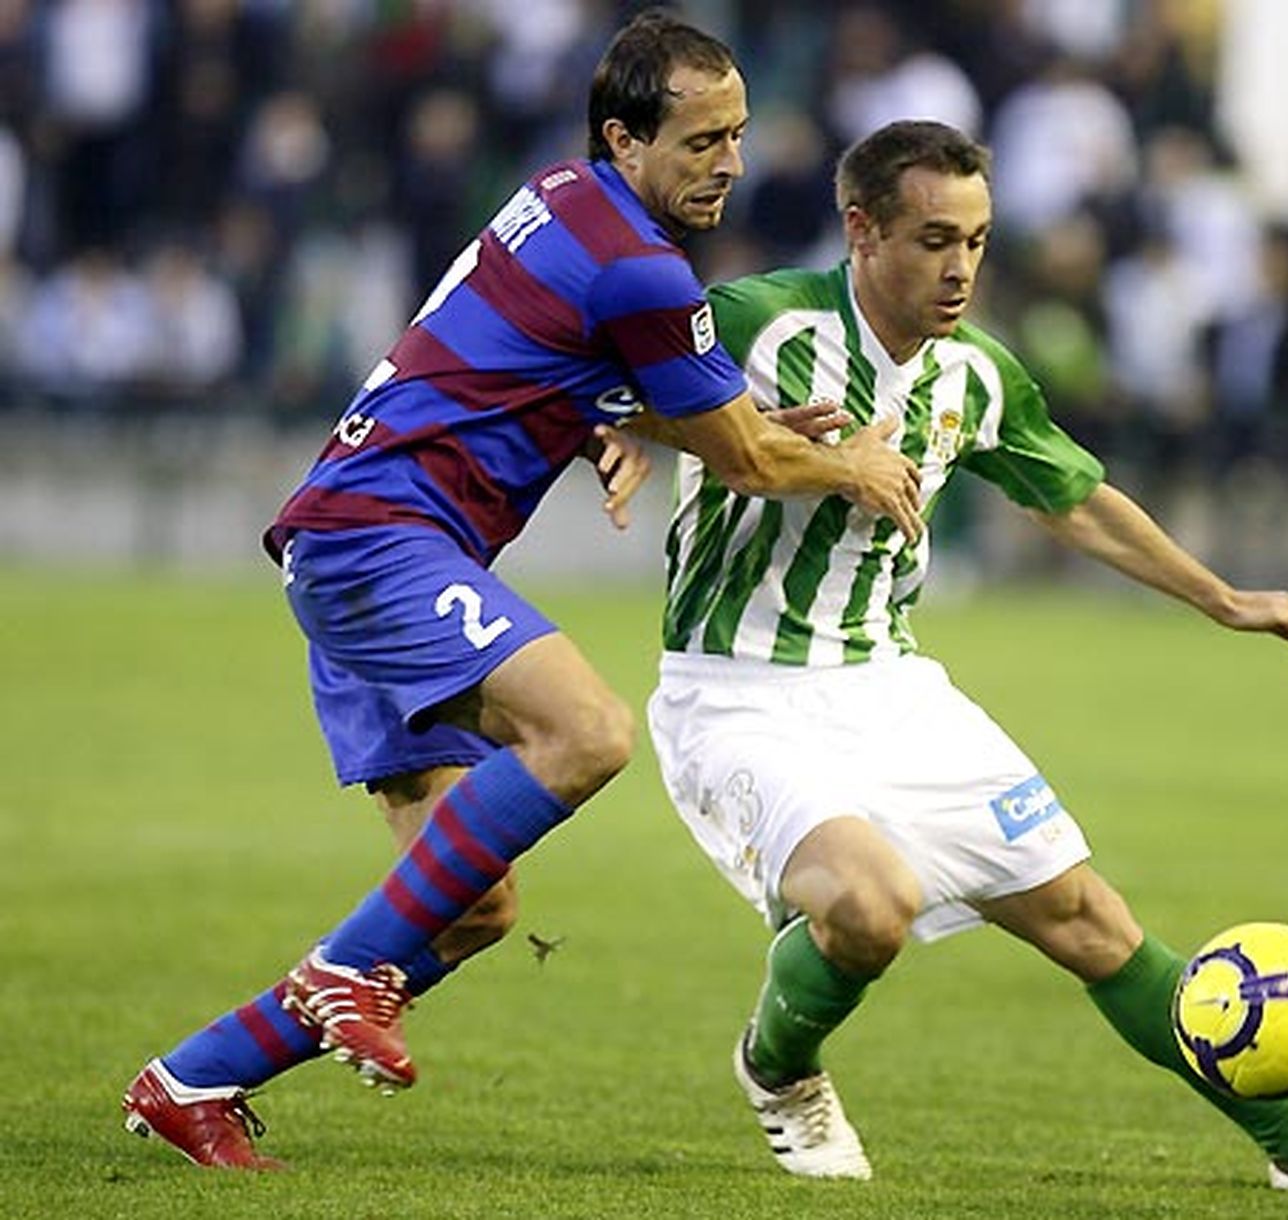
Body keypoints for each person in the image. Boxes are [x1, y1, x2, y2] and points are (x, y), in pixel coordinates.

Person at [120, 10, 922, 1171]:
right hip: (381, 541)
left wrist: (667, 424)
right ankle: (344, 972)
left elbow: (571, 370)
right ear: (624, 138)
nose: (730, 163)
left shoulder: (563, 197)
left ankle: (193, 1078)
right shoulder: (640, 265)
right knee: (586, 731)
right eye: (703, 141)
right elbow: (746, 456)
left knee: (472, 907)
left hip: (351, 542)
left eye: (738, 135)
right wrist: (850, 464)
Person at [645, 120, 1288, 1198]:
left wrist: (1222, 598)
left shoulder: (976, 374)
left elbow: (1075, 501)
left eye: (977, 241)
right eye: (935, 239)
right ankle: (779, 1067)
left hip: (888, 685)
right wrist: (693, 436)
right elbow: (601, 387)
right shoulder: (759, 320)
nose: (961, 268)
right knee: (870, 907)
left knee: (1089, 919)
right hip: (736, 691)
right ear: (862, 230)